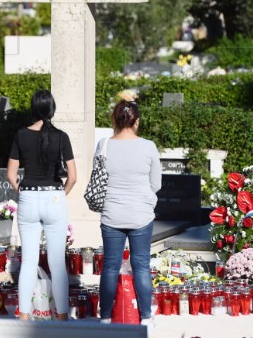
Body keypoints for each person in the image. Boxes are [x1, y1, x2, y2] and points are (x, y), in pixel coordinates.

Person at [6, 90, 77, 321]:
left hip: (28, 196)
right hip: (54, 196)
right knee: (57, 263)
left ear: (33, 109)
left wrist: (24, 193)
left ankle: (24, 317)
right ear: (52, 109)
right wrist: (60, 194)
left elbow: (10, 175)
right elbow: (73, 177)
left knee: (28, 261)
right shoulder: (61, 136)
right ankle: (62, 317)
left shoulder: (20, 135)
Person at [97, 99, 161, 333]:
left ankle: (104, 318)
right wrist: (145, 200)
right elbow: (156, 183)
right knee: (141, 265)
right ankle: (145, 317)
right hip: (141, 214)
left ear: (115, 119)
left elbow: (98, 180)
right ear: (137, 122)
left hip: (111, 213)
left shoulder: (104, 145)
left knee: (110, 267)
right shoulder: (149, 146)